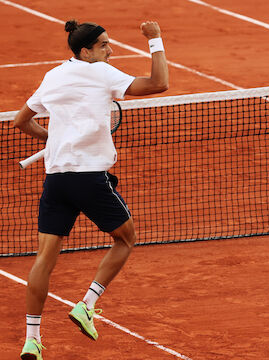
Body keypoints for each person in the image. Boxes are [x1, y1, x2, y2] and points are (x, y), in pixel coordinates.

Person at [14, 19, 169, 359]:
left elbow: (21, 121)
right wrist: (155, 40)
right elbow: (159, 83)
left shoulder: (53, 76)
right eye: (104, 46)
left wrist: (51, 138)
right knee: (126, 239)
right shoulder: (102, 74)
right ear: (86, 51)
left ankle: (31, 340)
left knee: (44, 260)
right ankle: (87, 304)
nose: (110, 51)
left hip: (56, 180)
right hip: (89, 179)